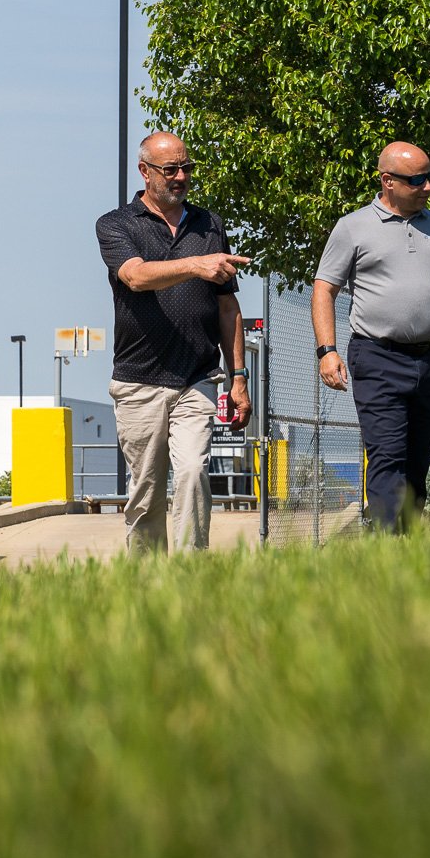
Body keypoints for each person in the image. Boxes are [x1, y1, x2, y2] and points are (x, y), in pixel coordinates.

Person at [312, 141, 430, 532]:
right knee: (387, 459)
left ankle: (409, 549)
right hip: (377, 357)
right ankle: (385, 552)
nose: (428, 186)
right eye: (417, 180)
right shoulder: (353, 227)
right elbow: (324, 288)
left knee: (417, 465)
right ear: (388, 181)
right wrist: (327, 351)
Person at [96, 131, 253, 552]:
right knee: (146, 491)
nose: (181, 176)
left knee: (192, 473)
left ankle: (189, 579)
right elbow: (136, 276)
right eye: (171, 169)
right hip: (138, 382)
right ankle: (146, 586)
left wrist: (239, 378)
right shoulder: (116, 224)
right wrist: (196, 265)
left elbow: (227, 308)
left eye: (187, 168)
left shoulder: (209, 224)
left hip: (196, 379)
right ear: (145, 172)